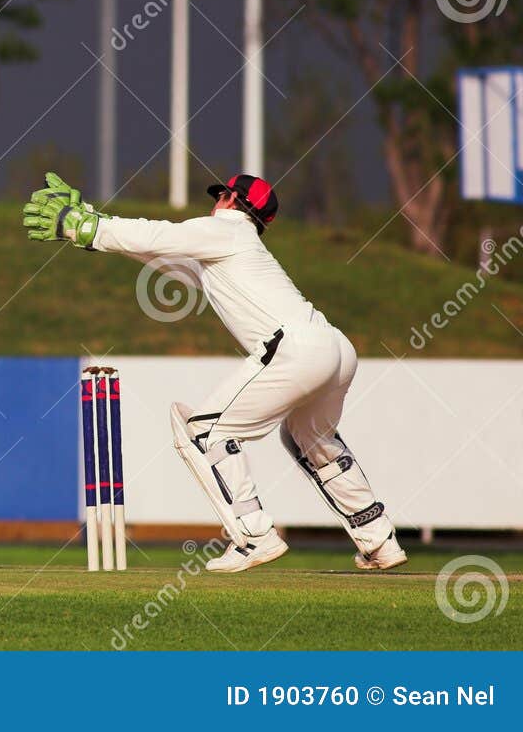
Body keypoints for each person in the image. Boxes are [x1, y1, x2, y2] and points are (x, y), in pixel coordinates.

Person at [23, 171, 405, 573]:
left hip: (296, 349)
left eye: (220, 193)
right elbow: (162, 257)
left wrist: (85, 227)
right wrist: (89, 221)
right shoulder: (234, 248)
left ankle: (254, 536)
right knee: (312, 438)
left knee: (203, 432)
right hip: (335, 349)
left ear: (228, 198)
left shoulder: (225, 229)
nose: (215, 200)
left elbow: (157, 236)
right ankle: (379, 539)